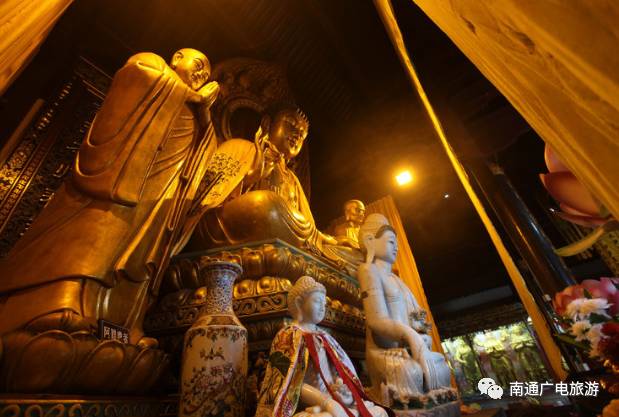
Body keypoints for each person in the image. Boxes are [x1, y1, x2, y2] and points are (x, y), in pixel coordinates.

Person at [0, 48, 219, 345]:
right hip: (120, 183)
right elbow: (136, 75)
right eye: (198, 65)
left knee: (140, 261)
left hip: (157, 203)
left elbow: (204, 151)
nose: (200, 75)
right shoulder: (152, 65)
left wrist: (203, 113)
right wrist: (187, 96)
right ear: (178, 57)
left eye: (205, 74)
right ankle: (61, 306)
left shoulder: (198, 112)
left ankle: (124, 326)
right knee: (98, 239)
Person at [256, 276, 389, 417]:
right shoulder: (289, 335)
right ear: (299, 303)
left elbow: (339, 374)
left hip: (335, 401)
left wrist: (343, 392)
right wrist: (326, 402)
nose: (322, 307)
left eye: (324, 304)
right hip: (310, 405)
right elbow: (288, 386)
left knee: (379, 412)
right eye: (317, 301)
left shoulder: (325, 338)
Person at [357, 213, 452, 406]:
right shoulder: (369, 271)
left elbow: (418, 324)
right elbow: (376, 321)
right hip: (383, 351)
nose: (397, 247)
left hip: (406, 349)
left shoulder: (399, 281)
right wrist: (409, 335)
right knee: (411, 372)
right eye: (391, 241)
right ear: (370, 241)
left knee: (440, 364)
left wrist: (420, 337)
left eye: (397, 243)